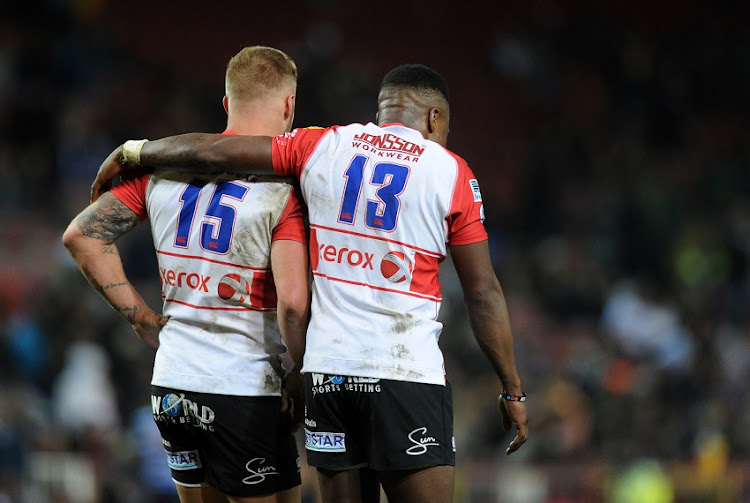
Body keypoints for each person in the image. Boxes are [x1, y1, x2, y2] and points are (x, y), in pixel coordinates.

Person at [92, 63, 528, 503]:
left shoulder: (325, 144)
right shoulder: (451, 171)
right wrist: (512, 388)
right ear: (435, 118)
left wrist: (135, 150)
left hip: (327, 376)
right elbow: (481, 291)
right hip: (405, 374)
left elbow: (215, 153)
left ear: (383, 109)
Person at [64, 46, 310, 503]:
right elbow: (293, 306)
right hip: (245, 387)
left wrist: (143, 319)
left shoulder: (162, 174)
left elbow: (82, 236)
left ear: (226, 104)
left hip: (173, 382)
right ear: (289, 106)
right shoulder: (283, 192)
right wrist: (300, 372)